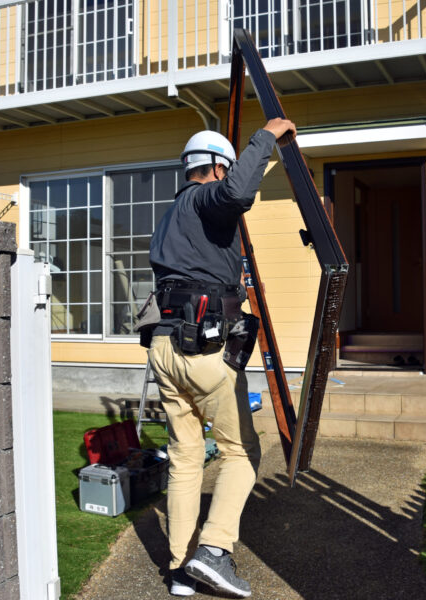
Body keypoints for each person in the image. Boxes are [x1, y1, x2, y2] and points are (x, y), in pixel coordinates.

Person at [148, 118, 297, 598]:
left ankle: (178, 570)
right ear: (214, 168)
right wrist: (266, 136)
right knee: (241, 453)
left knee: (186, 459)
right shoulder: (204, 198)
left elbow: (196, 268)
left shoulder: (172, 214)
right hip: (203, 351)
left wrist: (233, 284)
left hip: (164, 346)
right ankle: (213, 550)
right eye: (226, 170)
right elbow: (233, 196)